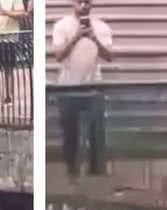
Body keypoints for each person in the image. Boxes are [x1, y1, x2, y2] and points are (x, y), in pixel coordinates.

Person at [51, 0, 113, 177]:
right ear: (73, 4)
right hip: (68, 86)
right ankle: (71, 171)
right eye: (80, 2)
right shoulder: (62, 26)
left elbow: (109, 56)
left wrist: (93, 38)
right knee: (70, 132)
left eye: (87, 2)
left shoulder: (101, 27)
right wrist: (77, 36)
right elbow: (58, 55)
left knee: (96, 134)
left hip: (94, 85)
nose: (84, 6)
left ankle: (96, 172)